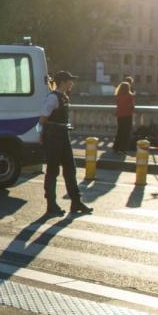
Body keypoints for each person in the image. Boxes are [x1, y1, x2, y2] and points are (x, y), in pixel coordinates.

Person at [39, 71, 93, 217]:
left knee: (70, 169)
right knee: (53, 171)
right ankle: (51, 204)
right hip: (53, 136)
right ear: (63, 81)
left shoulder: (63, 97)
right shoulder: (52, 98)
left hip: (63, 135)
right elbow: (42, 119)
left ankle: (76, 202)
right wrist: (40, 135)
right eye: (70, 80)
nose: (72, 83)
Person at [113, 81, 135, 154]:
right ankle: (123, 149)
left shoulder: (118, 96)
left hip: (119, 115)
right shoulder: (129, 96)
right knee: (126, 132)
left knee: (120, 131)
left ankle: (116, 147)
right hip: (127, 115)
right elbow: (132, 106)